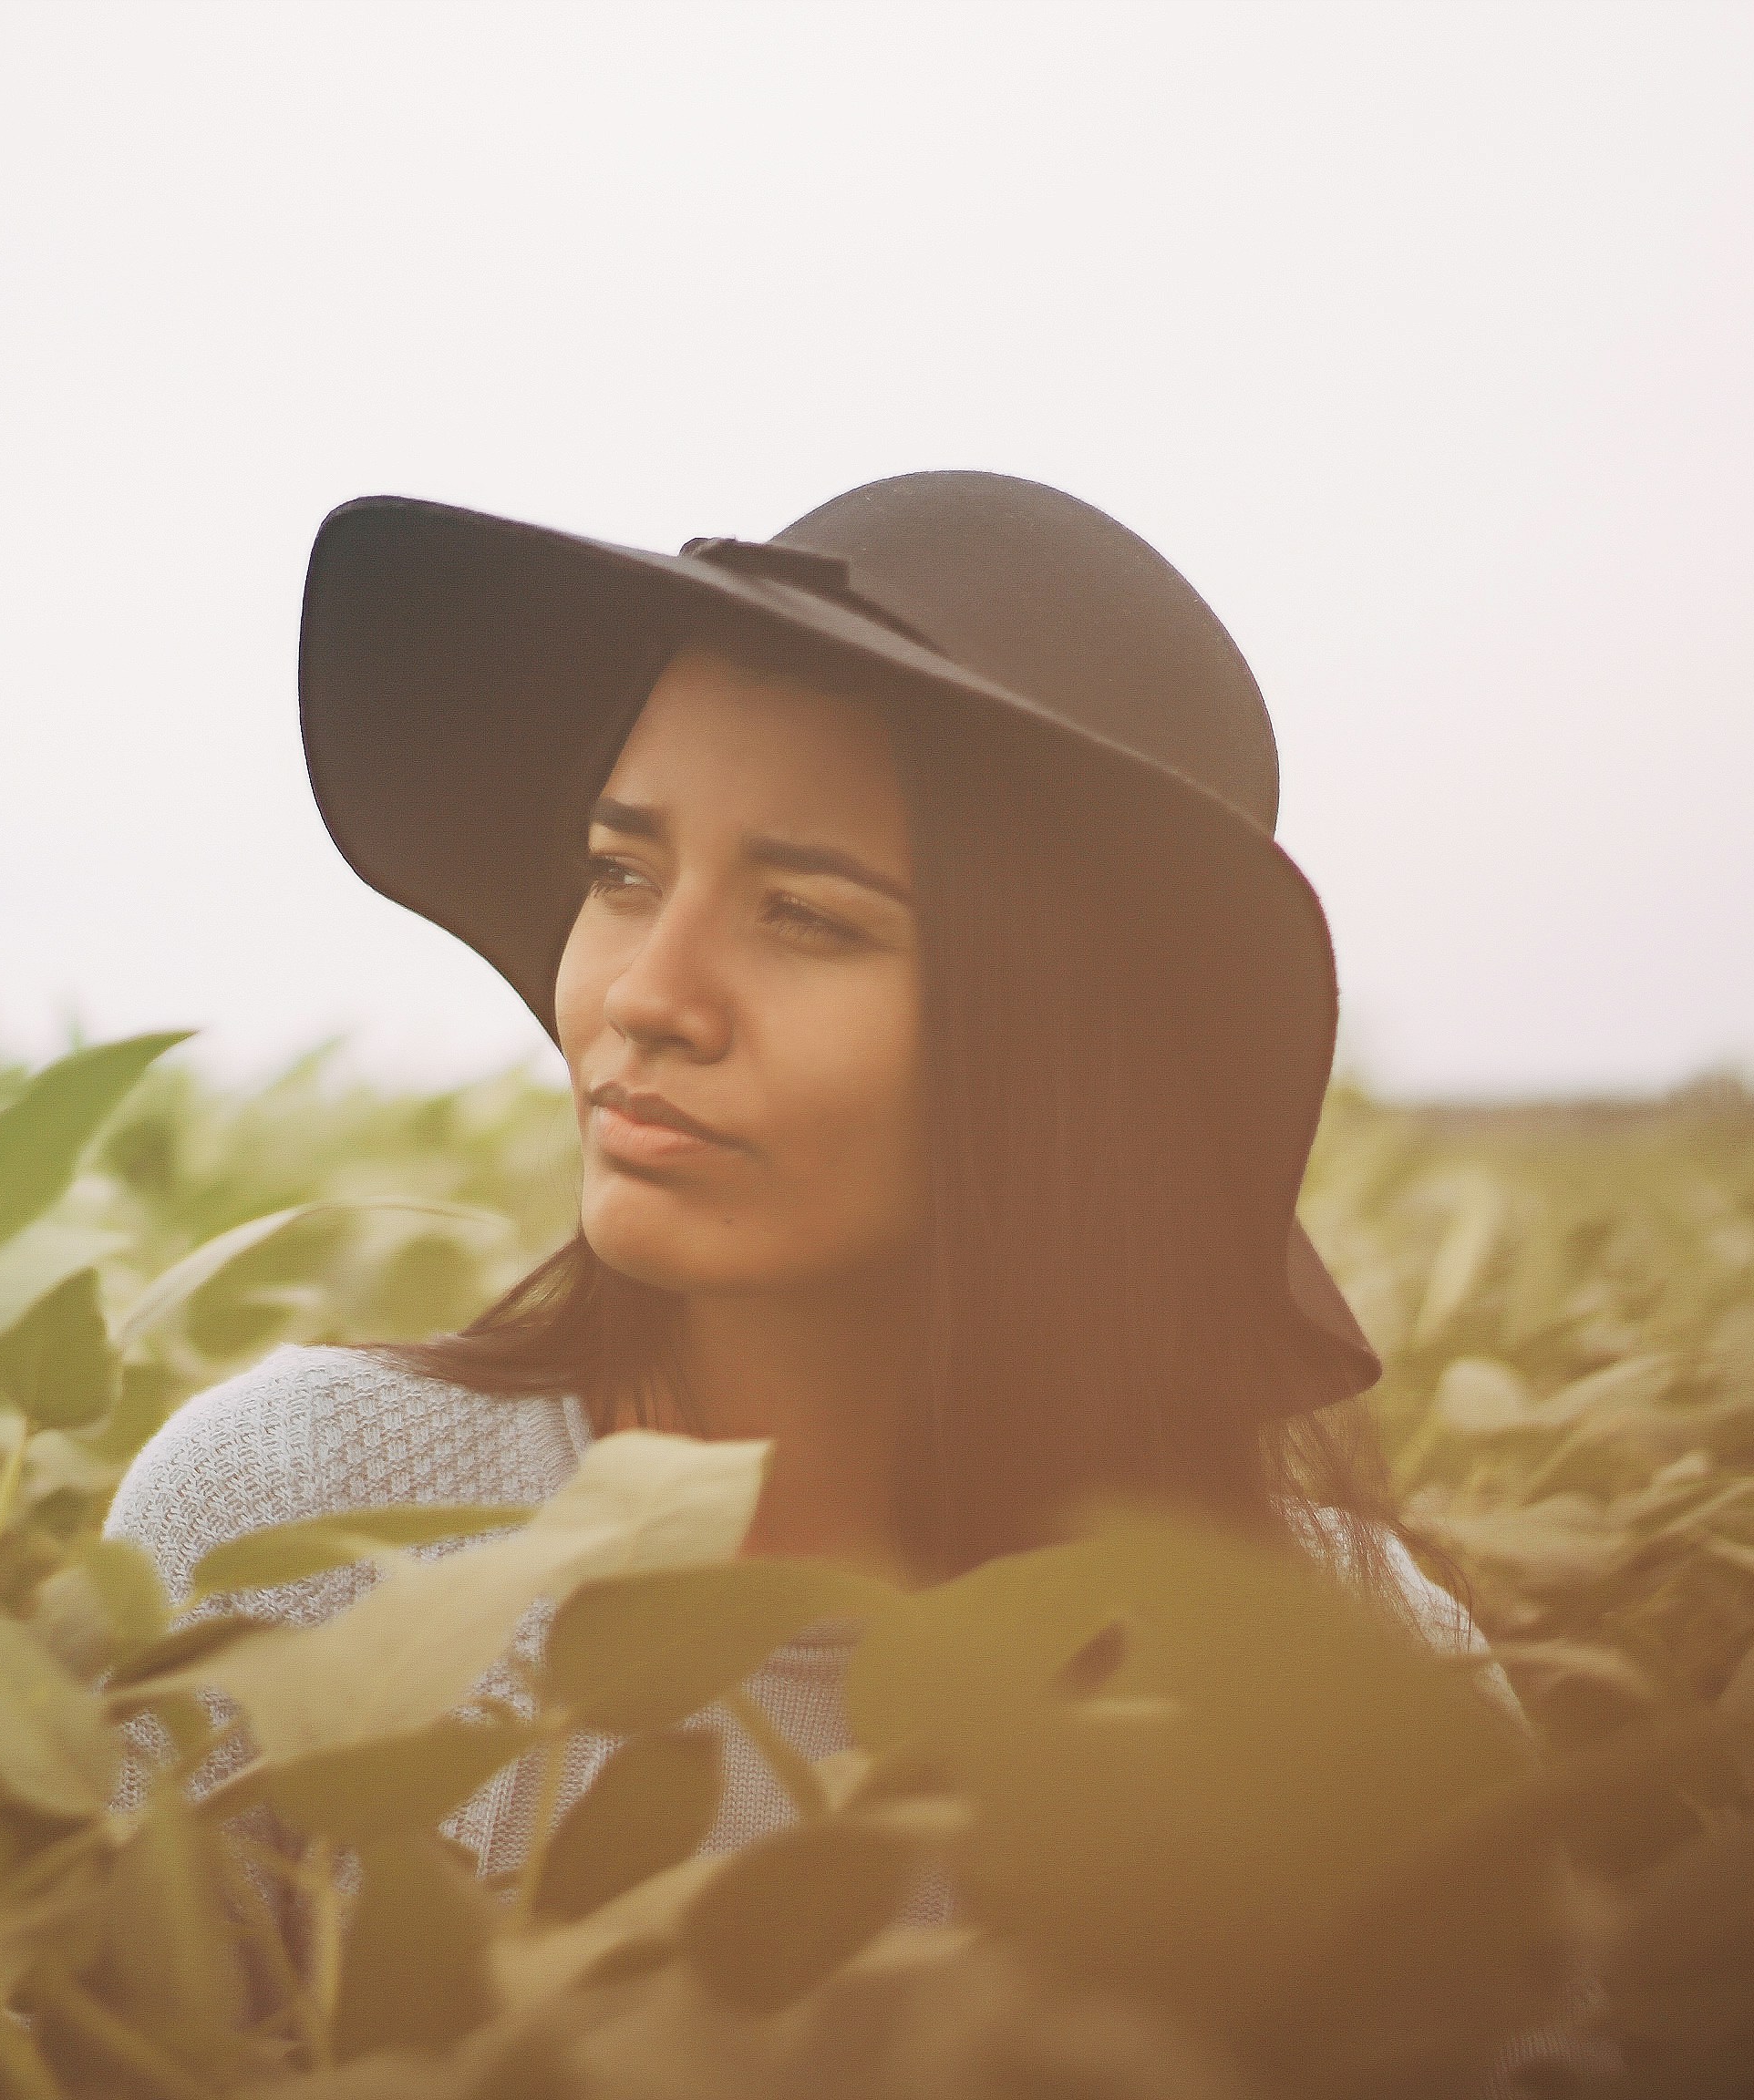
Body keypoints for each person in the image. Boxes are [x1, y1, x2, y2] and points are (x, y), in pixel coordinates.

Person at [104, 472, 1592, 2085]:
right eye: (622, 874)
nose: (648, 995)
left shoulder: (1338, 1670)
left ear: (1058, 1048)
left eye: (805, 918)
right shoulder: (288, 1521)